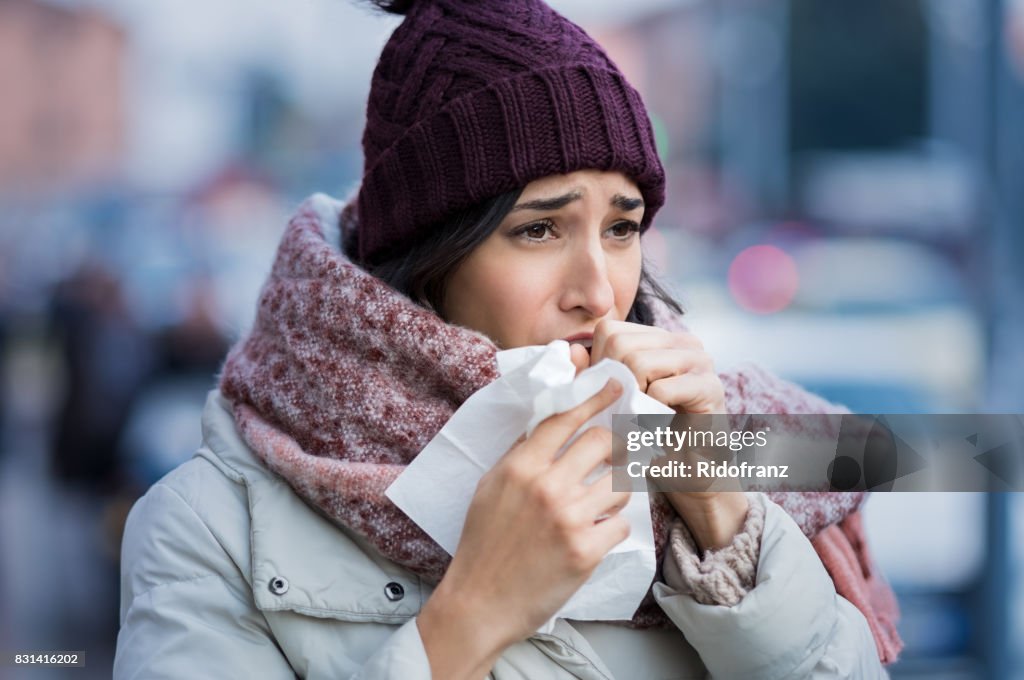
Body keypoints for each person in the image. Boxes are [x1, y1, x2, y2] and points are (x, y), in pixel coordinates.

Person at [114, 0, 901, 677]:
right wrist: (471, 616)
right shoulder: (210, 527)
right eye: (538, 229)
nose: (599, 289)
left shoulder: (711, 434)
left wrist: (724, 515)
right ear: (429, 256)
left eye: (623, 227)